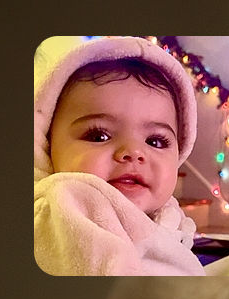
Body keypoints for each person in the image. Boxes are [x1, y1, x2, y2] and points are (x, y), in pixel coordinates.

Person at [34, 36, 205, 276]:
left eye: (155, 141)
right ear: (47, 146)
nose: (133, 152)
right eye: (99, 136)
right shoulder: (65, 206)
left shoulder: (169, 216)